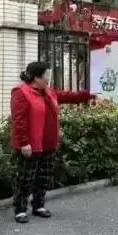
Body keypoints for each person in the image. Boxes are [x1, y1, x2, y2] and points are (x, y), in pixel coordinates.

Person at [10, 61, 93, 223]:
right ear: (36, 78)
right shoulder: (21, 92)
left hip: (48, 143)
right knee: (25, 178)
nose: (48, 78)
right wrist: (24, 142)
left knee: (44, 176)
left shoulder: (48, 92)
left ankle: (39, 205)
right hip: (30, 144)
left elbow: (68, 96)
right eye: (46, 75)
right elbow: (19, 120)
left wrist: (88, 95)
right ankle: (20, 209)